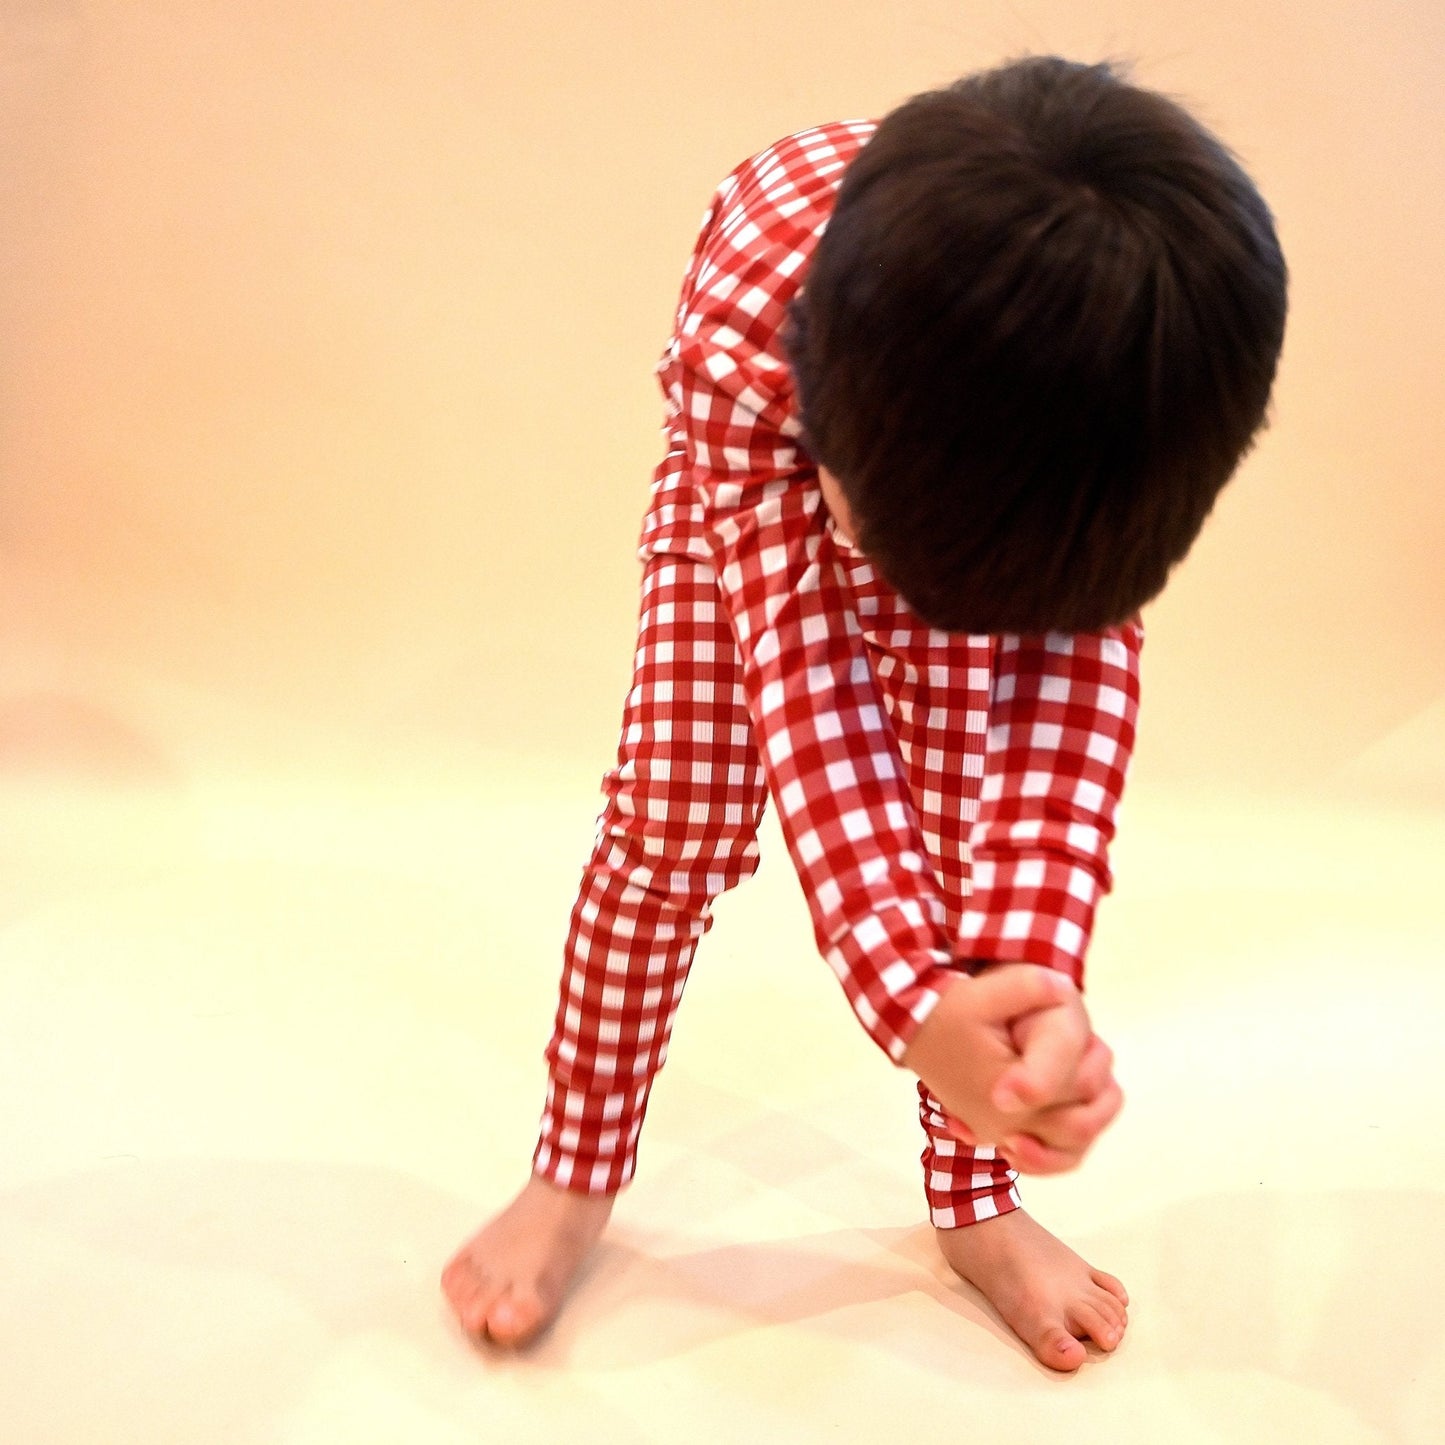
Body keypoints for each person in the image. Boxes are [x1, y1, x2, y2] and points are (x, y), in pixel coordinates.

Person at [441, 55, 1287, 1372]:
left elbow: (1067, 702)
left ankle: (970, 1201)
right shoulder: (749, 329)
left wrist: (1022, 1001)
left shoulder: (1114, 383)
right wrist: (909, 1000)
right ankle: (574, 1166)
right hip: (751, 503)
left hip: (944, 484)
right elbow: (803, 692)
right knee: (670, 829)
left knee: (965, 846)